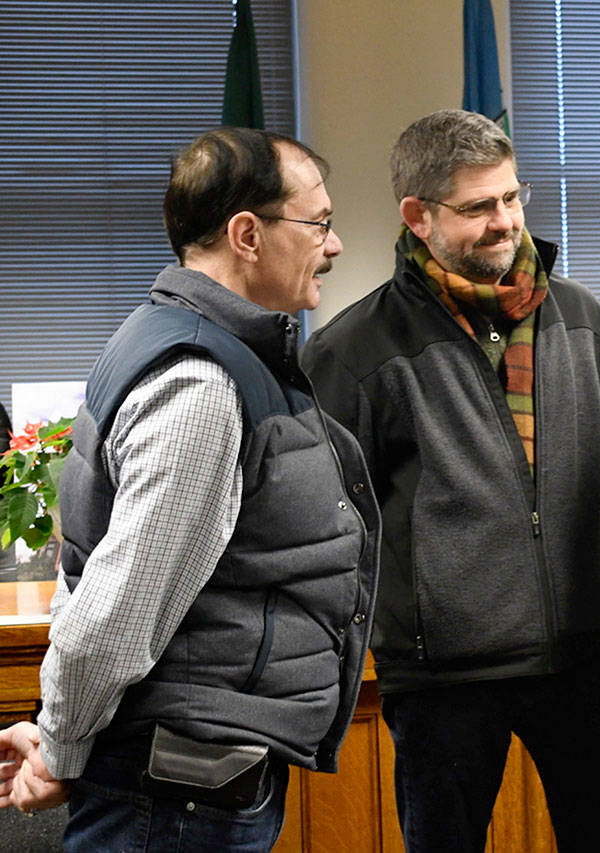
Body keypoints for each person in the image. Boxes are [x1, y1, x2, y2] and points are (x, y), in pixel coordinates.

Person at [0, 127, 380, 852]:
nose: (332, 246)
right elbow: (119, 601)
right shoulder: (201, 382)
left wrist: (60, 731)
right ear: (246, 234)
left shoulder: (200, 346)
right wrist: (58, 743)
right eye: (319, 224)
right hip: (175, 799)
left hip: (185, 786)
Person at [301, 109, 600, 852]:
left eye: (512, 197)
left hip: (585, 655)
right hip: (441, 678)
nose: (505, 221)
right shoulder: (354, 350)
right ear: (417, 216)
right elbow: (332, 525)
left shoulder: (581, 317)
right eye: (479, 207)